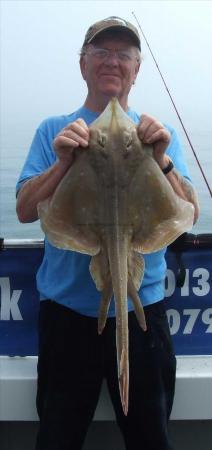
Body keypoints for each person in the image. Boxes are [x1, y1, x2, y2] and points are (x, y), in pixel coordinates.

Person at [16, 16, 199, 450]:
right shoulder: (53, 130)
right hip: (67, 318)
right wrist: (63, 162)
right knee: (58, 439)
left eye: (123, 55)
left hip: (142, 314)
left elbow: (189, 211)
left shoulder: (156, 136)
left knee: (151, 438)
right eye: (101, 53)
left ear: (137, 69)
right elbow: (25, 210)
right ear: (83, 64)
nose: (112, 62)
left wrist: (162, 158)